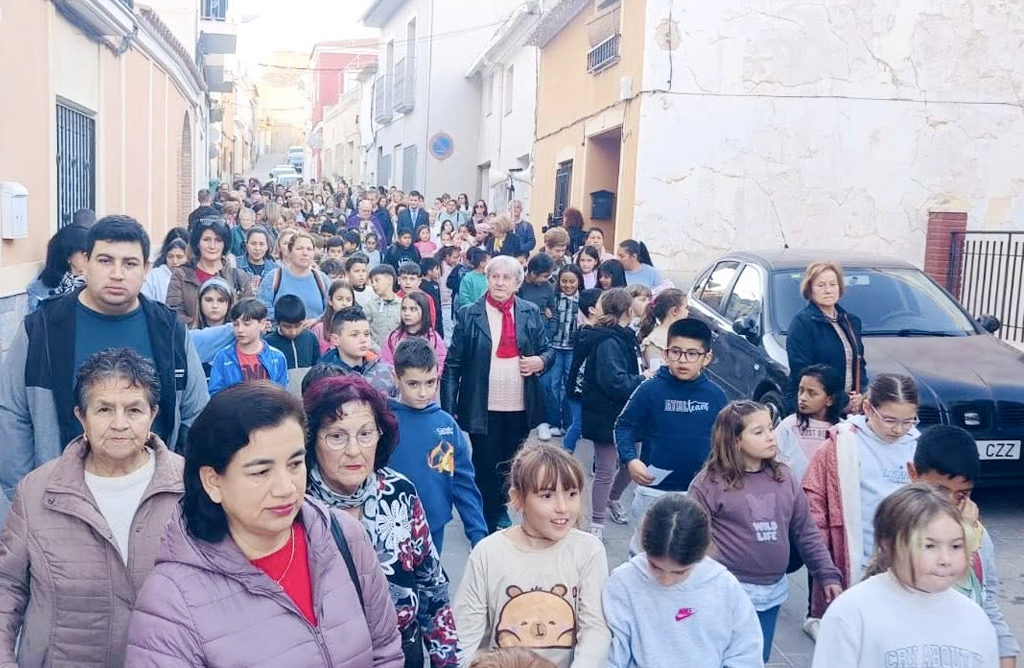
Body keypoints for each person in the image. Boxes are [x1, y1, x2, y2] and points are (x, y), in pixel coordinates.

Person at [124, 383, 405, 666]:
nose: (285, 488)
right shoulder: (171, 600)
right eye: (261, 472)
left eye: (295, 464)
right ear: (213, 481)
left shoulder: (344, 536)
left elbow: (385, 651)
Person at [0, 216, 208, 505]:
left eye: (130, 263)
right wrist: (24, 498)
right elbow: (12, 416)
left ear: (146, 269)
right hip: (60, 502)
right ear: (85, 263)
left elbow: (196, 415)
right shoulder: (41, 330)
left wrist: (185, 493)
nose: (117, 274)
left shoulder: (169, 331)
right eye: (105, 261)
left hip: (153, 501)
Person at [0, 349, 184, 668]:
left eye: (134, 410)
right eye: (104, 409)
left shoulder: (188, 486)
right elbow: (7, 587)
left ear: (153, 414)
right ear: (81, 416)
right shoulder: (37, 491)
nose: (119, 424)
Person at [304, 375, 458, 667]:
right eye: (336, 436)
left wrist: (447, 660)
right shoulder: (298, 505)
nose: (353, 450)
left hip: (404, 650)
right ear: (311, 440)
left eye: (365, 434)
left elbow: (432, 586)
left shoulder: (399, 491)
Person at [689, 400, 843, 662]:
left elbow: (806, 530)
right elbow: (692, 537)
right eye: (758, 432)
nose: (771, 436)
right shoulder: (709, 483)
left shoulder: (784, 477)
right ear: (735, 440)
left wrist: (827, 574)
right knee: (718, 656)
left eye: (770, 428)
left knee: (756, 658)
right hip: (725, 591)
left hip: (771, 592)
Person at [811, 484, 999, 668]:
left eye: (956, 546)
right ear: (887, 545)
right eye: (929, 546)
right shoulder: (851, 612)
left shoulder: (975, 618)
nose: (945, 559)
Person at [454, 444, 610, 666]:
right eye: (547, 495)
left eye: (572, 494)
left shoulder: (589, 550)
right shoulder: (487, 553)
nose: (563, 507)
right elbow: (464, 637)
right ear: (518, 499)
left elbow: (595, 630)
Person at [442, 256, 553, 532]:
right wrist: (448, 409)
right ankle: (485, 515)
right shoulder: (470, 314)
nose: (500, 282)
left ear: (517, 283)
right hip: (482, 403)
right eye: (495, 277)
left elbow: (547, 350)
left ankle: (500, 506)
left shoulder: (529, 312)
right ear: (487, 279)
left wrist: (540, 361)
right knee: (484, 461)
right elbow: (453, 364)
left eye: (507, 278)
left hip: (519, 403)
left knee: (510, 461)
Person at [802, 373, 920, 630]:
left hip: (905, 560)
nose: (898, 429)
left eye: (908, 421)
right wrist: (824, 566)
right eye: (889, 419)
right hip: (857, 558)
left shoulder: (917, 447)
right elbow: (813, 506)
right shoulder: (841, 444)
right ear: (867, 408)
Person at [602, 493, 763, 668]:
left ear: (701, 554)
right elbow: (610, 652)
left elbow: (746, 652)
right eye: (655, 567)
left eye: (679, 572)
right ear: (642, 545)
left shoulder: (724, 585)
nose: (666, 580)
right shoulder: (624, 582)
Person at [908, 426, 1020, 665]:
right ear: (913, 474)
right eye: (939, 491)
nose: (949, 503)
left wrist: (1005, 649)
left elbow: (986, 600)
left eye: (962, 495)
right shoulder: (898, 530)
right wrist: (960, 535)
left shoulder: (980, 536)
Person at [614, 318, 728, 549]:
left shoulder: (716, 396)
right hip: (652, 491)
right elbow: (623, 426)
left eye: (692, 354)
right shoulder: (650, 389)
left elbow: (727, 442)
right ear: (666, 354)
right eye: (676, 352)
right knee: (645, 553)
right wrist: (630, 460)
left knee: (689, 555)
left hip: (699, 492)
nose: (683, 360)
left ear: (707, 358)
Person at [387, 338, 487, 554]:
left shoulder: (447, 426)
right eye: (413, 384)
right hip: (389, 526)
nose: (423, 392)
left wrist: (478, 534)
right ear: (396, 378)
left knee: (431, 576)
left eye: (430, 382)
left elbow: (463, 482)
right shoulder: (384, 422)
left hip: (433, 526)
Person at [580, 289, 648, 539]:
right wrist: (643, 379)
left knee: (632, 463)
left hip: (628, 413)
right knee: (606, 470)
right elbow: (614, 381)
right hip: (607, 414)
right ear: (629, 311)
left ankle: (613, 498)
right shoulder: (609, 341)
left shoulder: (626, 336)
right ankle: (597, 524)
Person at [786, 260, 867, 414]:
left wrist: (861, 394)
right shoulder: (802, 323)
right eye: (821, 285)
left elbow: (859, 363)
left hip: (850, 409)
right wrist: (841, 400)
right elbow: (803, 371)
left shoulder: (851, 321)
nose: (828, 290)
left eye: (833, 284)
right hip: (818, 409)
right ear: (810, 289)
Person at [167, 217, 252, 328]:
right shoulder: (181, 275)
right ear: (198, 243)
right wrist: (203, 331)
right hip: (192, 336)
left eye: (218, 240)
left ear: (225, 244)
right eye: (206, 240)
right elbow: (174, 313)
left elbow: (249, 315)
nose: (212, 246)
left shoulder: (239, 278)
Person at [775, 364, 845, 482]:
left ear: (830, 400)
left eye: (812, 393)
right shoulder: (788, 426)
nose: (802, 398)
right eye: (801, 390)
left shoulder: (842, 429)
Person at [208, 299, 288, 395]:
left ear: (262, 324)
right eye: (236, 324)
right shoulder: (223, 357)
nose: (240, 329)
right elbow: (215, 393)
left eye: (246, 324)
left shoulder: (277, 357)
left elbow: (282, 393)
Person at [540, 265, 582, 444]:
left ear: (579, 281)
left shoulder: (583, 300)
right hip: (555, 347)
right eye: (564, 281)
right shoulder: (554, 298)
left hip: (573, 349)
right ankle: (553, 422)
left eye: (572, 281)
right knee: (552, 385)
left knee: (569, 386)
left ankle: (569, 422)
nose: (568, 285)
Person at [320, 307, 398, 397]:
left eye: (366, 334)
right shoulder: (326, 377)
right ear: (335, 340)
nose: (363, 340)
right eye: (354, 335)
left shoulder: (386, 371)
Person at [25, 213, 94, 312]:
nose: (88, 258)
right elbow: (36, 319)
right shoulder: (41, 289)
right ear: (67, 255)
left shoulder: (97, 282)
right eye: (84, 253)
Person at [561, 288, 602, 455]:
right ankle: (565, 451)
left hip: (587, 388)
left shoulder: (595, 330)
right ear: (592, 309)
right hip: (578, 388)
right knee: (579, 423)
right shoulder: (586, 331)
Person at [258, 230, 330, 322]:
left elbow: (330, 310)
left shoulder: (322, 279)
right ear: (289, 252)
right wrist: (291, 321)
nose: (305, 253)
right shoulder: (274, 277)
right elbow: (262, 308)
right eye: (299, 249)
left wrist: (317, 320)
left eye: (309, 249)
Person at [381, 291, 447, 374]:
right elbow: (386, 364)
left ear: (424, 311)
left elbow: (441, 364)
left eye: (413, 309)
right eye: (404, 309)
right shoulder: (393, 338)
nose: (407, 313)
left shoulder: (434, 338)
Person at [637, 288, 689, 371]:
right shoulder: (654, 342)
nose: (688, 312)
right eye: (686, 307)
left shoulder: (682, 334)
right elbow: (657, 372)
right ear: (675, 310)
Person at [264, 294, 321, 370]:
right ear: (278, 322)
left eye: (298, 326)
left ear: (304, 320)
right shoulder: (268, 343)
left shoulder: (310, 337)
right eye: (287, 327)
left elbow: (317, 365)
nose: (293, 332)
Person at [141, 229, 190, 303]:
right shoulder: (155, 275)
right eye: (170, 256)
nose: (175, 261)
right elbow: (145, 299)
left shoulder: (193, 274)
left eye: (179, 257)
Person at [310, 280, 356, 354]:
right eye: (339, 299)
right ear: (330, 300)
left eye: (348, 300)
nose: (344, 303)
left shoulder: (357, 327)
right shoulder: (319, 329)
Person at [367, 264, 403, 348]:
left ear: (390, 280)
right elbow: (364, 331)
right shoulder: (370, 306)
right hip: (376, 351)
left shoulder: (402, 304)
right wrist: (376, 349)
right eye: (372, 282)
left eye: (377, 280)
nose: (373, 285)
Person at [397, 261, 438, 328]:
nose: (408, 282)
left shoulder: (426, 298)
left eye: (412, 279)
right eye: (404, 278)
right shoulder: (395, 298)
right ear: (398, 280)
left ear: (419, 281)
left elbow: (431, 322)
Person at [517, 253, 556, 323]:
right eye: (545, 276)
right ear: (533, 274)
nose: (547, 279)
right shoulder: (519, 286)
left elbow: (553, 312)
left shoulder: (548, 287)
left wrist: (551, 328)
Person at [419, 257, 445, 330]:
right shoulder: (420, 285)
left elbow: (439, 302)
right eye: (436, 269)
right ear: (429, 271)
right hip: (427, 317)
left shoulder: (436, 284)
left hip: (438, 317)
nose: (438, 272)